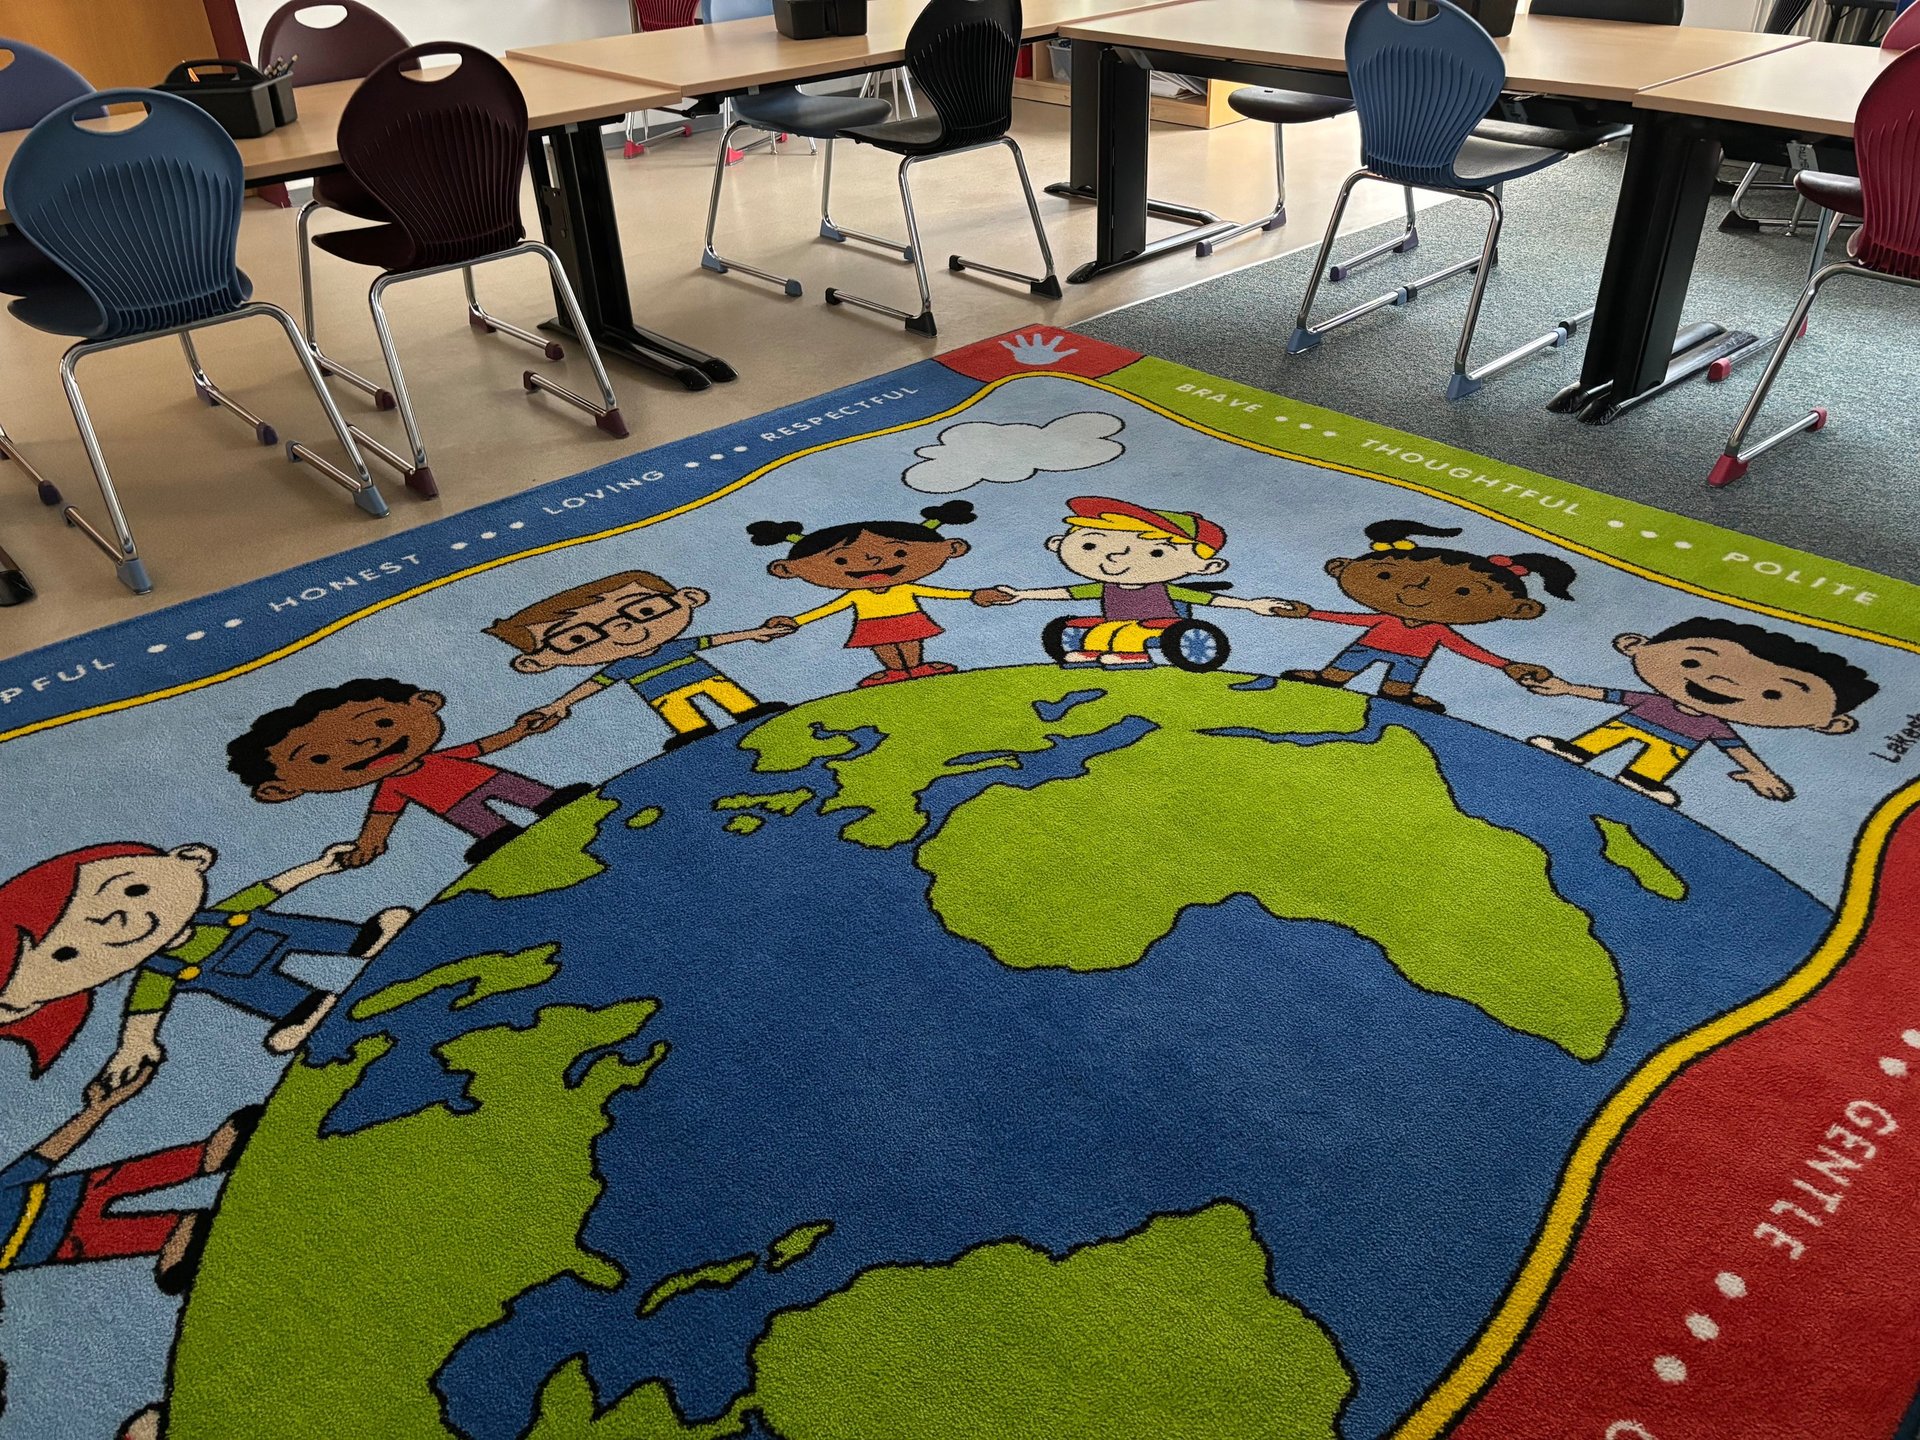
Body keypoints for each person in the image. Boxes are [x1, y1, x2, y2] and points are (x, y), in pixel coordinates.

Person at [0, 841, 406, 1090]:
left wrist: (320, 866)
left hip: (260, 932)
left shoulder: (216, 915)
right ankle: (305, 1008)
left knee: (303, 932)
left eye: (135, 889)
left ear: (191, 858)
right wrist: (134, 1045)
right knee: (260, 991)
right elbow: (145, 1009)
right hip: (232, 976)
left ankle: (363, 940)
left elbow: (266, 890)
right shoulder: (158, 970)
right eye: (67, 954)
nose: (121, 921)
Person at [226, 678, 589, 867]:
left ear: (425, 704)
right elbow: (381, 820)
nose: (367, 744)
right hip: (453, 805)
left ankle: (548, 801)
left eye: (382, 723)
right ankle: (498, 834)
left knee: (524, 792)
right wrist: (368, 845)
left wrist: (521, 730)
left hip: (486, 780)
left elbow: (483, 746)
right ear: (283, 787)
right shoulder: (392, 788)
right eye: (320, 759)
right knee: (488, 827)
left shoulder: (426, 765)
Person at [1523, 616, 1877, 805]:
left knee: (1658, 761)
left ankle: (1642, 780)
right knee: (1606, 736)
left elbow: (1736, 748)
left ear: (1830, 723)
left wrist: (1761, 773)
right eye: (1692, 662)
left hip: (1676, 744)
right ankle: (1577, 750)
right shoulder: (1655, 701)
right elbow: (1612, 695)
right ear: (1635, 646)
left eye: (1772, 694)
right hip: (1634, 723)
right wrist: (1567, 688)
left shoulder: (1713, 725)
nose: (1723, 683)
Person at [0, 1060, 259, 1295]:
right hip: (62, 1243)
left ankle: (203, 1157)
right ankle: (175, 1229)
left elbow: (45, 1155)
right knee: (116, 1236)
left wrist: (98, 1110)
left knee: (129, 1176)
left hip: (70, 1193)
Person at [976, 495, 1305, 667]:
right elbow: (1067, 592)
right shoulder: (1105, 586)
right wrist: (1022, 594)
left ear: (1207, 567)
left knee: (1127, 633)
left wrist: (1251, 604)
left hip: (1164, 624)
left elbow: (1209, 600)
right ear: (1057, 543)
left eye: (1157, 553)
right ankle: (1090, 652)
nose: (1114, 558)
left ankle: (1132, 656)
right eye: (1090, 545)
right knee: (1096, 629)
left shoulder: (1163, 587)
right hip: (1116, 622)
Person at [1283, 519, 1573, 712]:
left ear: (1518, 609)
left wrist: (1506, 664)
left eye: (1463, 592)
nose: (1414, 591)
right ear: (1341, 567)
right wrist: (1310, 613)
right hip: (1369, 648)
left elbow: (1463, 647)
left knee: (1397, 691)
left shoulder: (1435, 630)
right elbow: (1352, 619)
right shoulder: (1389, 620)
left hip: (1412, 658)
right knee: (1335, 676)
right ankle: (1327, 678)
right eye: (1385, 575)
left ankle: (1398, 696)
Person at [487, 570, 792, 752]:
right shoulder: (621, 666)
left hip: (706, 680)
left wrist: (758, 632)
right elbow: (593, 685)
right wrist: (558, 705)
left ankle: (753, 714)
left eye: (645, 611)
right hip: (663, 695)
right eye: (578, 638)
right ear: (540, 661)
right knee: (689, 726)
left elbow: (714, 640)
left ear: (688, 598)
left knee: (737, 701)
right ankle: (696, 739)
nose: (621, 628)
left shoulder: (675, 647)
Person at [749, 501, 1004, 686]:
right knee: (884, 646)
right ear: (788, 569)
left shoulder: (905, 587)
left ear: (952, 548)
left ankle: (916, 667)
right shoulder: (857, 595)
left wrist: (972, 594)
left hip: (908, 619)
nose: (873, 561)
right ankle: (896, 671)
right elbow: (829, 609)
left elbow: (939, 592)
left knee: (910, 643)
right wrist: (795, 621)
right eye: (841, 560)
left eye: (899, 553)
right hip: (872, 625)